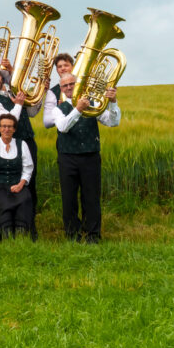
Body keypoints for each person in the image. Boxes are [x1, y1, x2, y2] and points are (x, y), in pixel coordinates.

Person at [43, 72, 120, 243]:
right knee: (69, 198)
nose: (69, 88)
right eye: (65, 86)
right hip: (67, 158)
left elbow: (113, 122)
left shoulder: (93, 104)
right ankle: (72, 235)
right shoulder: (58, 109)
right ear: (61, 89)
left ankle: (93, 235)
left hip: (90, 156)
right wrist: (78, 109)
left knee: (91, 198)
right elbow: (63, 127)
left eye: (72, 84)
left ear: (78, 84)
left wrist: (113, 103)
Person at [0, 66, 41, 213]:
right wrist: (19, 104)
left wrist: (40, 93)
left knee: (31, 178)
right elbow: (8, 120)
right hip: (11, 144)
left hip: (28, 141)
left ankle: (30, 216)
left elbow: (32, 113)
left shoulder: (14, 91)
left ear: (1, 76)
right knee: (15, 178)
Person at [0, 113, 34, 238]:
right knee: (1, 207)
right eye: (4, 126)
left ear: (14, 129)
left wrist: (21, 184)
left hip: (17, 184)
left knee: (24, 201)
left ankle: (21, 237)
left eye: (10, 127)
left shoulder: (22, 144)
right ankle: (6, 236)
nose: (7, 129)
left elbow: (28, 168)